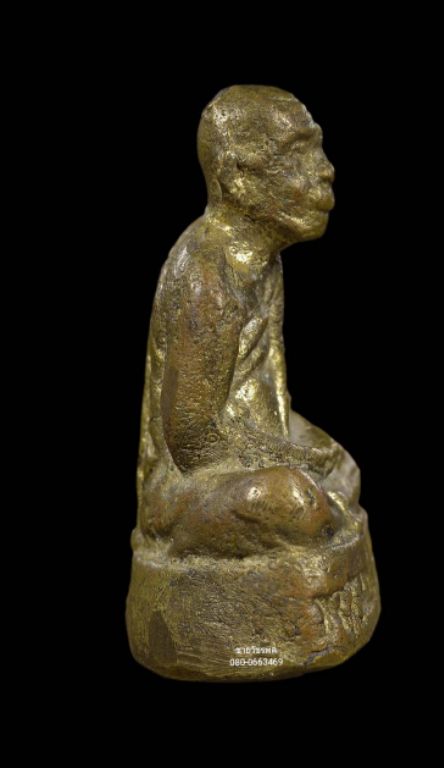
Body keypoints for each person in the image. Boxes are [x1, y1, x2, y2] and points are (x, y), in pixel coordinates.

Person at [134, 85, 361, 558]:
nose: (325, 170)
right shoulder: (208, 275)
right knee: (296, 501)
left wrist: (295, 448)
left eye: (318, 151)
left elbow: (270, 398)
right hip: (187, 486)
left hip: (250, 443)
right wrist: (285, 457)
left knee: (345, 469)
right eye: (299, 156)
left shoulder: (264, 263)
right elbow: (191, 439)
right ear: (239, 177)